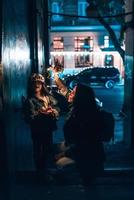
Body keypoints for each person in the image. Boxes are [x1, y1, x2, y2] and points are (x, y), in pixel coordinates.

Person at [63, 84, 105, 186]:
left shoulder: (82, 113)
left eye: (74, 92)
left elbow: (83, 137)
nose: (71, 93)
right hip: (87, 152)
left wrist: (70, 149)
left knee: (88, 180)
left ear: (80, 96)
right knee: (89, 180)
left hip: (86, 154)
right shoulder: (84, 109)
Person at [24, 73, 59, 181]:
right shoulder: (30, 101)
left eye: (39, 83)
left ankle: (45, 171)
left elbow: (57, 107)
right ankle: (40, 173)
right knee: (39, 151)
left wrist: (54, 112)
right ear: (31, 85)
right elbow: (29, 118)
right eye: (34, 83)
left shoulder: (48, 97)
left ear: (42, 84)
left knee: (47, 149)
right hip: (38, 130)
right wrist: (41, 114)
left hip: (48, 128)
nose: (37, 85)